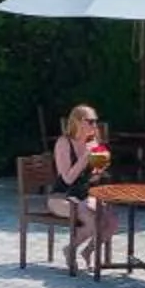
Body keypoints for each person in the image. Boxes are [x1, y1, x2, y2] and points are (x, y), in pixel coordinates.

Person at [47, 103, 118, 275]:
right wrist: (85, 157)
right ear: (78, 122)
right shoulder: (64, 143)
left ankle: (88, 251)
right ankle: (70, 249)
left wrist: (99, 170)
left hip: (84, 195)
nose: (95, 126)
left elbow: (91, 179)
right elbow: (67, 178)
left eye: (96, 122)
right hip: (61, 196)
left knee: (111, 221)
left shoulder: (93, 143)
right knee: (91, 218)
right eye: (91, 121)